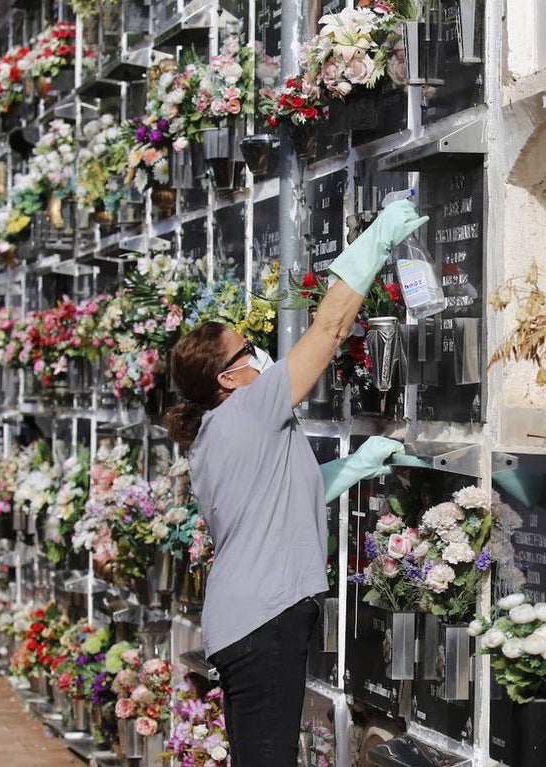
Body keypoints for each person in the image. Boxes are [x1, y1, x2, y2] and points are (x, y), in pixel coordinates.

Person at [162, 198, 428, 766]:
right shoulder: (250, 408)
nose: (260, 356)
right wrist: (375, 243)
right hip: (263, 619)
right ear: (228, 377)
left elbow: (279, 500)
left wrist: (357, 466)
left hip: (251, 618)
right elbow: (330, 329)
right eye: (247, 350)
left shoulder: (219, 431)